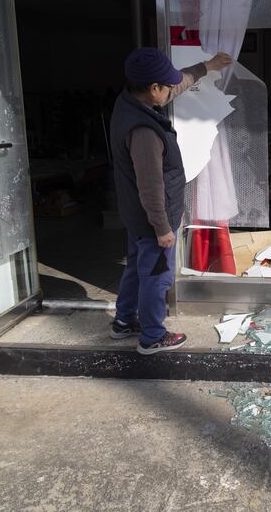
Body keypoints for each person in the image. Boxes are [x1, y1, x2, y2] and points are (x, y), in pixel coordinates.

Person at [109, 47, 233, 355]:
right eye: (166, 86)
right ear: (154, 89)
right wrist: (163, 228)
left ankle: (123, 321)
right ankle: (152, 337)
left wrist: (208, 66)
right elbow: (150, 186)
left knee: (136, 266)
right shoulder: (144, 131)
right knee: (156, 276)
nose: (171, 90)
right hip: (153, 219)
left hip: (136, 215)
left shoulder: (130, 102)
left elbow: (179, 84)